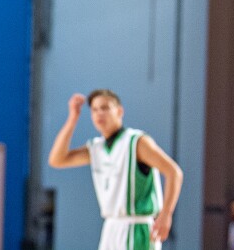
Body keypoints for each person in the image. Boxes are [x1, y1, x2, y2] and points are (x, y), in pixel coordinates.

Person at [46, 89, 184, 249]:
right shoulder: (96, 148)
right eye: (95, 110)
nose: (99, 114)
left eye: (105, 108)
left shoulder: (137, 142)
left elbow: (174, 172)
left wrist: (166, 214)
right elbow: (57, 160)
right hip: (111, 228)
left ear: (119, 111)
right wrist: (72, 119)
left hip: (136, 228)